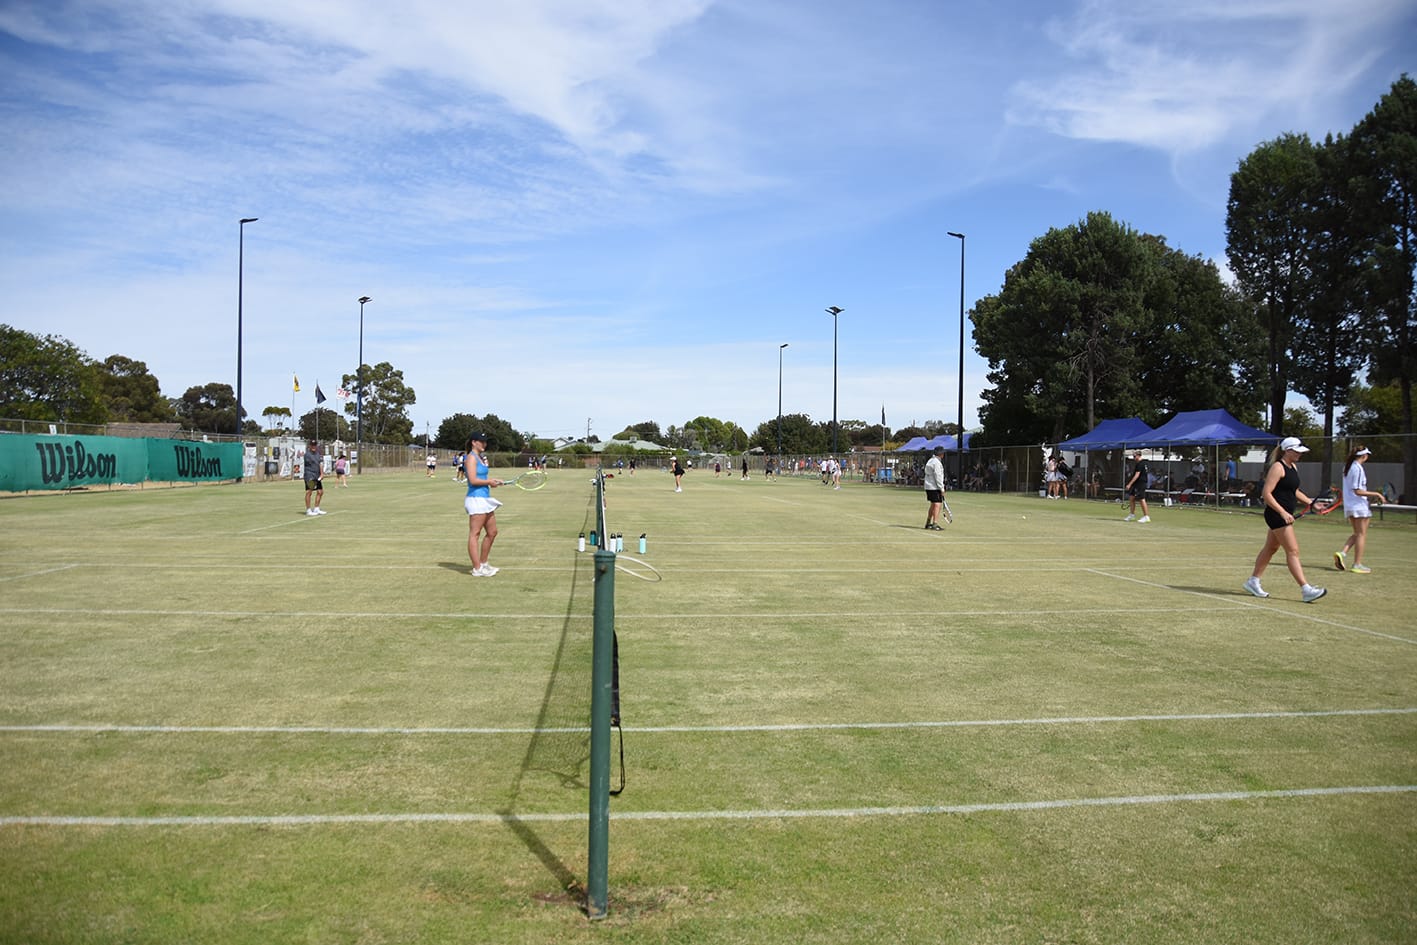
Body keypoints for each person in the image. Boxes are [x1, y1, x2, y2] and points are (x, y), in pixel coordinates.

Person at [1245, 437, 1326, 602]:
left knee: (1270, 548)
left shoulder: (1293, 467)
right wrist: (1282, 512)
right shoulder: (1277, 467)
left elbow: (1294, 491)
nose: (1299, 454)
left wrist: (1312, 504)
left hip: (1284, 514)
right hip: (1276, 515)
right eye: (1296, 451)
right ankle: (1306, 589)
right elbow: (1266, 494)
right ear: (1287, 451)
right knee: (1293, 551)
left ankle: (1253, 581)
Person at [1335, 446, 1384, 573]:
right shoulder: (1357, 468)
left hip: (1351, 505)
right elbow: (1358, 491)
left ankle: (1342, 553)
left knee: (1357, 533)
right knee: (1361, 535)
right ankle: (1357, 564)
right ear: (1364, 456)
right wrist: (1376, 494)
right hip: (1358, 506)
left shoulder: (1348, 467)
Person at [464, 432, 503, 577]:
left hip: (484, 499)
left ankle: (483, 563)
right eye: (481, 441)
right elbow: (473, 480)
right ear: (474, 442)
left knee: (492, 532)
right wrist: (489, 482)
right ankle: (477, 568)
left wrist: (493, 481)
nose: (484, 444)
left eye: (485, 441)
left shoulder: (479, 458)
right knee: (475, 533)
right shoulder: (470, 458)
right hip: (475, 499)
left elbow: (481, 477)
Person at [923, 445, 950, 529]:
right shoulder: (937, 463)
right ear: (941, 454)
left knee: (933, 504)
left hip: (928, 486)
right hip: (934, 487)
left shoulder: (930, 461)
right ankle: (935, 524)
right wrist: (942, 488)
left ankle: (928, 523)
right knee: (937, 504)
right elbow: (938, 476)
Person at [1123, 449, 1151, 523]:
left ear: (1138, 455)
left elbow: (1137, 475)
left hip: (1141, 483)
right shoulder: (1141, 463)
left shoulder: (1141, 464)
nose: (1133, 458)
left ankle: (1146, 516)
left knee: (1141, 499)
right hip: (1136, 484)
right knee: (1131, 498)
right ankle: (1132, 515)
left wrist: (1129, 484)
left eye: (1134, 456)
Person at [302, 441, 325, 516]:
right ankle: (308, 510)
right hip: (310, 475)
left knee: (320, 492)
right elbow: (315, 463)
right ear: (309, 446)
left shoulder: (318, 454)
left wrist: (322, 474)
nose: (313, 446)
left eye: (315, 445)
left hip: (317, 476)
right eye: (312, 445)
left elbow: (320, 463)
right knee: (309, 492)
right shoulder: (307, 455)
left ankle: (316, 508)